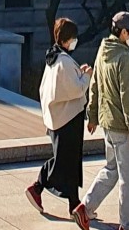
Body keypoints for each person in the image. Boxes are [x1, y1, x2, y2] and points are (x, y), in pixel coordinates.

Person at [72, 11, 129, 230]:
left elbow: (94, 84)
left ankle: (84, 209)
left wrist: (93, 116)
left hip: (108, 123)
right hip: (122, 126)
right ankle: (128, 227)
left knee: (111, 170)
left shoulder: (103, 50)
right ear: (123, 32)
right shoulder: (124, 58)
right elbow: (128, 97)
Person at [26, 16, 92, 219]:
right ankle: (37, 186)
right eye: (72, 38)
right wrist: (87, 75)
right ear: (66, 39)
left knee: (69, 161)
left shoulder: (54, 58)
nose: (75, 41)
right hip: (67, 119)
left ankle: (75, 204)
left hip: (59, 117)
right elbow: (74, 88)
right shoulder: (62, 61)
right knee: (65, 160)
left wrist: (78, 74)